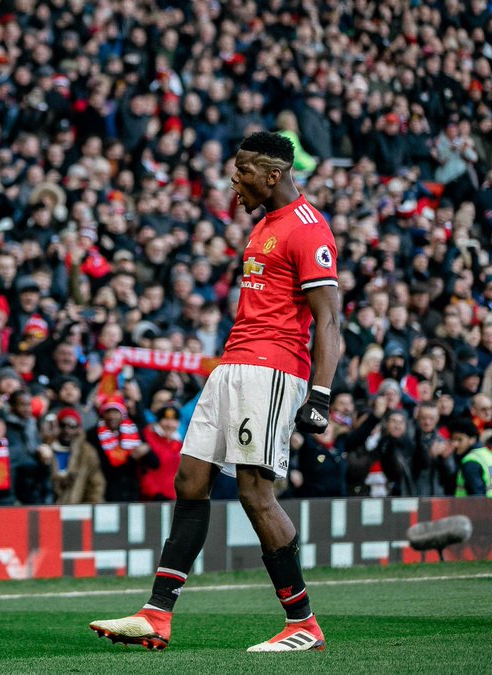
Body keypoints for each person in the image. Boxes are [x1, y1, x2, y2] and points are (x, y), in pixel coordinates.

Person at [90, 132, 341, 653]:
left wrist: (319, 396)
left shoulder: (307, 229)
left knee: (254, 491)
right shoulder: (264, 227)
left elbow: (329, 321)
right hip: (232, 365)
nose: (234, 181)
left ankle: (304, 624)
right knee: (190, 479)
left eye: (243, 172)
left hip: (271, 370)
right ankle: (157, 614)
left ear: (272, 175)